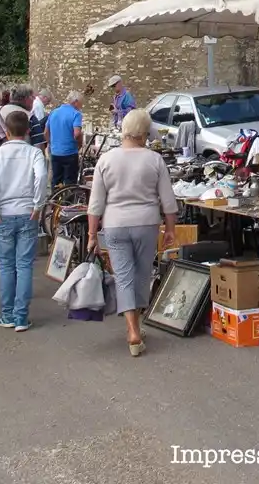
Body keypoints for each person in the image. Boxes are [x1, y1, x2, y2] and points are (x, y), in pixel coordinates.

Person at [87, 108, 177, 356]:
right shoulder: (154, 159)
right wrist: (170, 228)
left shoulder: (106, 160)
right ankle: (136, 327)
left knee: (124, 277)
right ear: (143, 133)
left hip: (115, 223)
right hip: (146, 223)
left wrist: (92, 235)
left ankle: (132, 330)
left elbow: (95, 203)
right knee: (141, 275)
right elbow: (167, 200)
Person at [0, 110, 47, 331]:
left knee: (7, 266)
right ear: (28, 131)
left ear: (6, 132)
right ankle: (21, 316)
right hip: (28, 210)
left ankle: (7, 314)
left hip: (4, 212)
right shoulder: (34, 154)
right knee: (24, 264)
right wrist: (38, 204)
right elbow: (41, 177)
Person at [45, 91, 84, 190]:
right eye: (81, 102)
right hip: (70, 153)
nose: (81, 105)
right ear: (75, 102)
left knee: (56, 180)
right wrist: (79, 144)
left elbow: (45, 133)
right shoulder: (76, 114)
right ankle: (68, 203)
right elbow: (77, 134)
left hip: (55, 152)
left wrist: (51, 143)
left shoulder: (54, 112)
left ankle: (55, 203)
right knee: (69, 183)